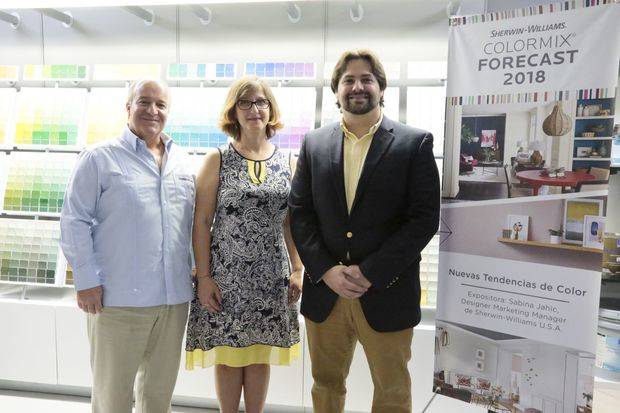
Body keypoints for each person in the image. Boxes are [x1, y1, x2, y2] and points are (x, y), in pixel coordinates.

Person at [289, 49, 440, 413]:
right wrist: (326, 270)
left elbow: (423, 219)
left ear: (381, 87)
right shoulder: (314, 143)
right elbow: (300, 212)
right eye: (349, 80)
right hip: (326, 293)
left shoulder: (414, 143)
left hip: (387, 290)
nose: (358, 86)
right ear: (337, 90)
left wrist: (369, 272)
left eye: (366, 79)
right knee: (325, 385)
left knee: (391, 391)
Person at [60, 79, 194, 413]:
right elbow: (74, 220)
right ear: (128, 107)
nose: (153, 111)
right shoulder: (99, 157)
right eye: (144, 102)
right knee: (112, 398)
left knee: (158, 396)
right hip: (117, 301)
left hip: (173, 300)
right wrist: (86, 281)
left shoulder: (182, 160)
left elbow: (190, 223)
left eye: (161, 105)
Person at [185, 76, 302, 413]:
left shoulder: (288, 161)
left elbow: (289, 221)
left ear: (271, 109)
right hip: (227, 277)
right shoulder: (217, 159)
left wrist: (297, 269)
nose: (255, 109)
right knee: (229, 354)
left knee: (259, 353)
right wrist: (204, 277)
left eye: (261, 102)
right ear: (233, 111)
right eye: (246, 103)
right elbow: (201, 221)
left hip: (271, 277)